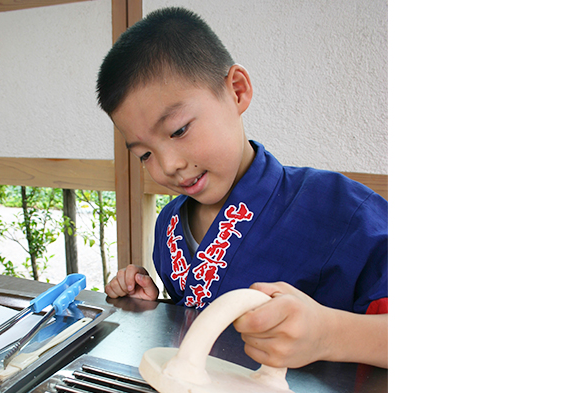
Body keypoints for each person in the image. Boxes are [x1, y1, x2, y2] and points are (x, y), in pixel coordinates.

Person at [96, 7, 388, 369]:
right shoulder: (169, 225)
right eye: (144, 154)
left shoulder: (344, 211)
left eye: (179, 130)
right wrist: (154, 308)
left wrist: (329, 334)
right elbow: (196, 322)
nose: (168, 165)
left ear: (237, 91)